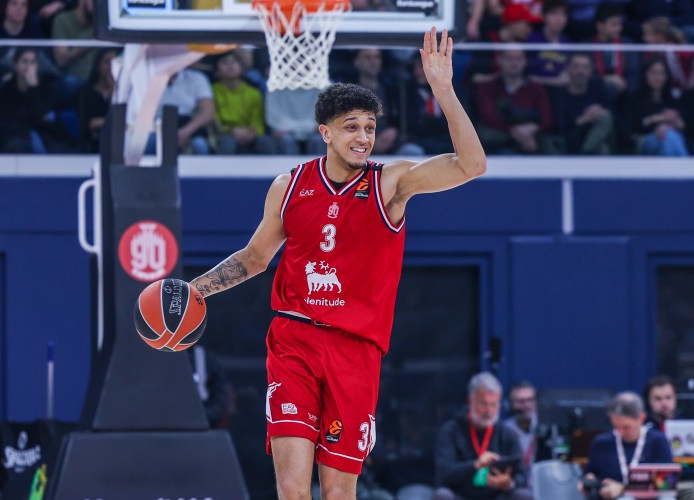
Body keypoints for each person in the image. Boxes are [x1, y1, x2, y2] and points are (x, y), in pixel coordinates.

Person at [188, 27, 486, 499]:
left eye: (369, 127)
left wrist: (444, 91)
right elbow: (255, 257)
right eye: (352, 127)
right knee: (292, 487)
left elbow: (472, 165)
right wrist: (195, 289)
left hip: (355, 349)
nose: (363, 137)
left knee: (338, 492)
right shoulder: (289, 186)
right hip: (294, 340)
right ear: (325, 132)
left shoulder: (390, 183)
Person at [433, 372, 533, 500]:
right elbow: (444, 474)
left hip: (497, 496)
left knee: (523, 496)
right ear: (470, 401)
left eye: (494, 404)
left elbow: (522, 475)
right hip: (461, 495)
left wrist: (509, 483)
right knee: (442, 495)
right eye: (483, 404)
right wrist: (476, 465)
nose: (489, 411)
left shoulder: (506, 433)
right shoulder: (451, 431)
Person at [580, 391, 673, 500]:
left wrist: (624, 489)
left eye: (626, 427)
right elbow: (590, 474)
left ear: (641, 418)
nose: (620, 432)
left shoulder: (658, 441)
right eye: (616, 427)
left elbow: (667, 483)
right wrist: (587, 481)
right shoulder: (601, 443)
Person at [474, 49, 554, 154]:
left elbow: (547, 119)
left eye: (518, 59)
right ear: (499, 60)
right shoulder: (487, 87)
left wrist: (533, 128)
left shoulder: (536, 88)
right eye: (509, 58)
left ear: (525, 61)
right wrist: (517, 133)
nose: (514, 63)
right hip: (498, 143)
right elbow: (489, 116)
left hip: (534, 140)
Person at [211, 51, 277, 155]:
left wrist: (252, 132)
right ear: (217, 71)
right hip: (225, 134)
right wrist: (231, 130)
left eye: (234, 62)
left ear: (242, 68)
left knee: (265, 141)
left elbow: (258, 123)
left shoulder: (253, 93)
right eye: (225, 62)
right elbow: (215, 120)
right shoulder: (212, 91)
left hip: (249, 134)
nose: (230, 65)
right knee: (227, 141)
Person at [552, 51, 615, 155]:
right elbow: (559, 129)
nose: (580, 71)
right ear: (567, 69)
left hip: (595, 139)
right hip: (570, 143)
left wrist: (599, 111)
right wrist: (583, 120)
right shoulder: (558, 96)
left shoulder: (599, 88)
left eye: (585, 67)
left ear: (591, 70)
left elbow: (614, 120)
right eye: (576, 67)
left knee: (605, 118)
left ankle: (585, 153)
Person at [503, 381, 552, 487]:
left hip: (544, 485)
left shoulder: (547, 428)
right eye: (521, 401)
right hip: (515, 487)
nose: (527, 405)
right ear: (510, 405)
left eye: (530, 400)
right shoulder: (504, 431)